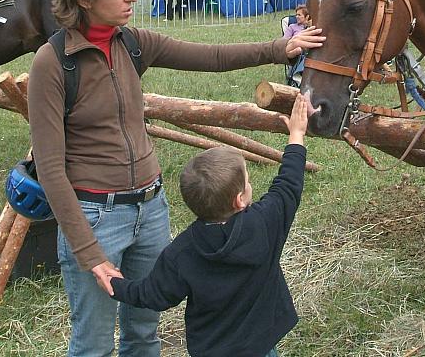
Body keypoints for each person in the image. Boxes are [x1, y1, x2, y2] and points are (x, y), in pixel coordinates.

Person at [27, 0, 324, 357]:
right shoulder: (53, 63)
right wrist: (89, 253)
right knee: (92, 344)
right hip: (96, 216)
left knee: (144, 334)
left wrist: (280, 47)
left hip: (150, 209)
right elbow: (52, 169)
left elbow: (212, 57)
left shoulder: (132, 43)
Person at [101, 93, 310, 357]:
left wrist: (115, 284)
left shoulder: (182, 252)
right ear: (240, 199)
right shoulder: (265, 223)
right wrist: (297, 136)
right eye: (247, 180)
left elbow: (152, 295)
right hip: (260, 345)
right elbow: (289, 184)